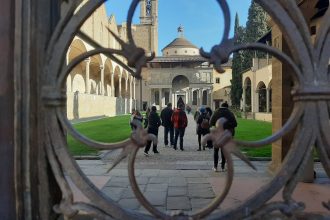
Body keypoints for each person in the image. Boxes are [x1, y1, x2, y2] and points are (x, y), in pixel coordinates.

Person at [209, 102, 237, 172]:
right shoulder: (230, 113)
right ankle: (222, 167)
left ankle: (215, 167)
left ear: (221, 106)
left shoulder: (216, 112)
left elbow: (210, 122)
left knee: (216, 150)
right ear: (227, 107)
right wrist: (227, 125)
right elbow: (235, 124)